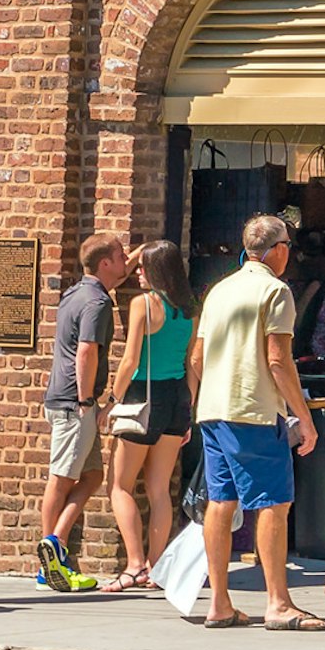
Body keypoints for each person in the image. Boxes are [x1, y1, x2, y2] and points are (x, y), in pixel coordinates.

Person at [190, 212, 325, 631]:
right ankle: (279, 604)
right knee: (273, 504)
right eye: (289, 245)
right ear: (279, 249)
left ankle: (219, 603)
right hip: (254, 410)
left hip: (213, 409)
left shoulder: (219, 291)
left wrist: (201, 401)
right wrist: (304, 418)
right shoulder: (275, 291)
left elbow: (196, 358)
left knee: (220, 502)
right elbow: (277, 360)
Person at [38, 232, 129, 591]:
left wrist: (135, 255)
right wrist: (87, 398)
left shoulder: (76, 292)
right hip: (75, 403)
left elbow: (115, 270)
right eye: (120, 257)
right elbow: (87, 351)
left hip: (68, 401)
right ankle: (48, 568)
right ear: (105, 263)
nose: (126, 264)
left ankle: (54, 543)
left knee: (91, 476)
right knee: (60, 480)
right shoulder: (98, 303)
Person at [104, 240, 194, 590]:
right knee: (159, 490)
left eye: (142, 267)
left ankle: (134, 564)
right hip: (175, 399)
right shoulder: (188, 309)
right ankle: (156, 569)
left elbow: (129, 360)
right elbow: (192, 364)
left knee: (121, 486)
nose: (136, 272)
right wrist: (189, 409)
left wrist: (112, 399)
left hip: (143, 395)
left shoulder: (143, 304)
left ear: (157, 271)